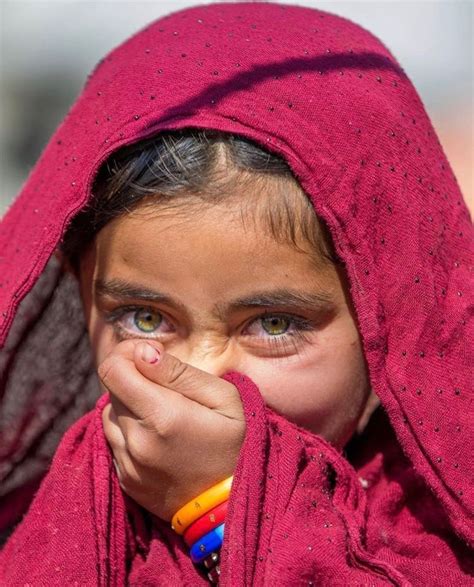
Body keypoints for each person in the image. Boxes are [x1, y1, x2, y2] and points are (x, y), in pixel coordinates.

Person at [0, 2, 472, 585]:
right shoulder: (37, 522)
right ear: (83, 290)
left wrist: (220, 507)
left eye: (274, 324)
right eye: (144, 317)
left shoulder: (439, 530)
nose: (201, 377)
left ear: (391, 316)